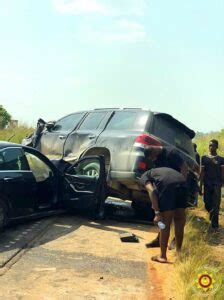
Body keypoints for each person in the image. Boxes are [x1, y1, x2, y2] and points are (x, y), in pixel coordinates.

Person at [141, 167, 188, 263]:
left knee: (164, 222)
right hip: (183, 183)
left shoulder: (144, 177)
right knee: (179, 220)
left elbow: (152, 191)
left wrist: (157, 213)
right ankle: (179, 254)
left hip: (168, 186)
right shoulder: (158, 171)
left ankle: (162, 256)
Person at [144, 146, 188, 248]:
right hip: (166, 189)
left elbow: (184, 167)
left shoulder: (171, 153)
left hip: (178, 187)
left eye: (151, 157)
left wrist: (182, 185)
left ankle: (175, 242)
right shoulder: (158, 158)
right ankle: (159, 240)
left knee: (177, 217)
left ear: (154, 151)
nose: (152, 160)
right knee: (163, 216)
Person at [200, 139, 224, 231]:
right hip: (207, 184)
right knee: (207, 203)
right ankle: (212, 214)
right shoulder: (204, 158)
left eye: (213, 145)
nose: (211, 147)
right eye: (210, 145)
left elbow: (223, 173)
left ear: (216, 147)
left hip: (217, 185)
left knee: (216, 204)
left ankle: (215, 225)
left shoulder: (221, 159)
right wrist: (200, 185)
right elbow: (202, 172)